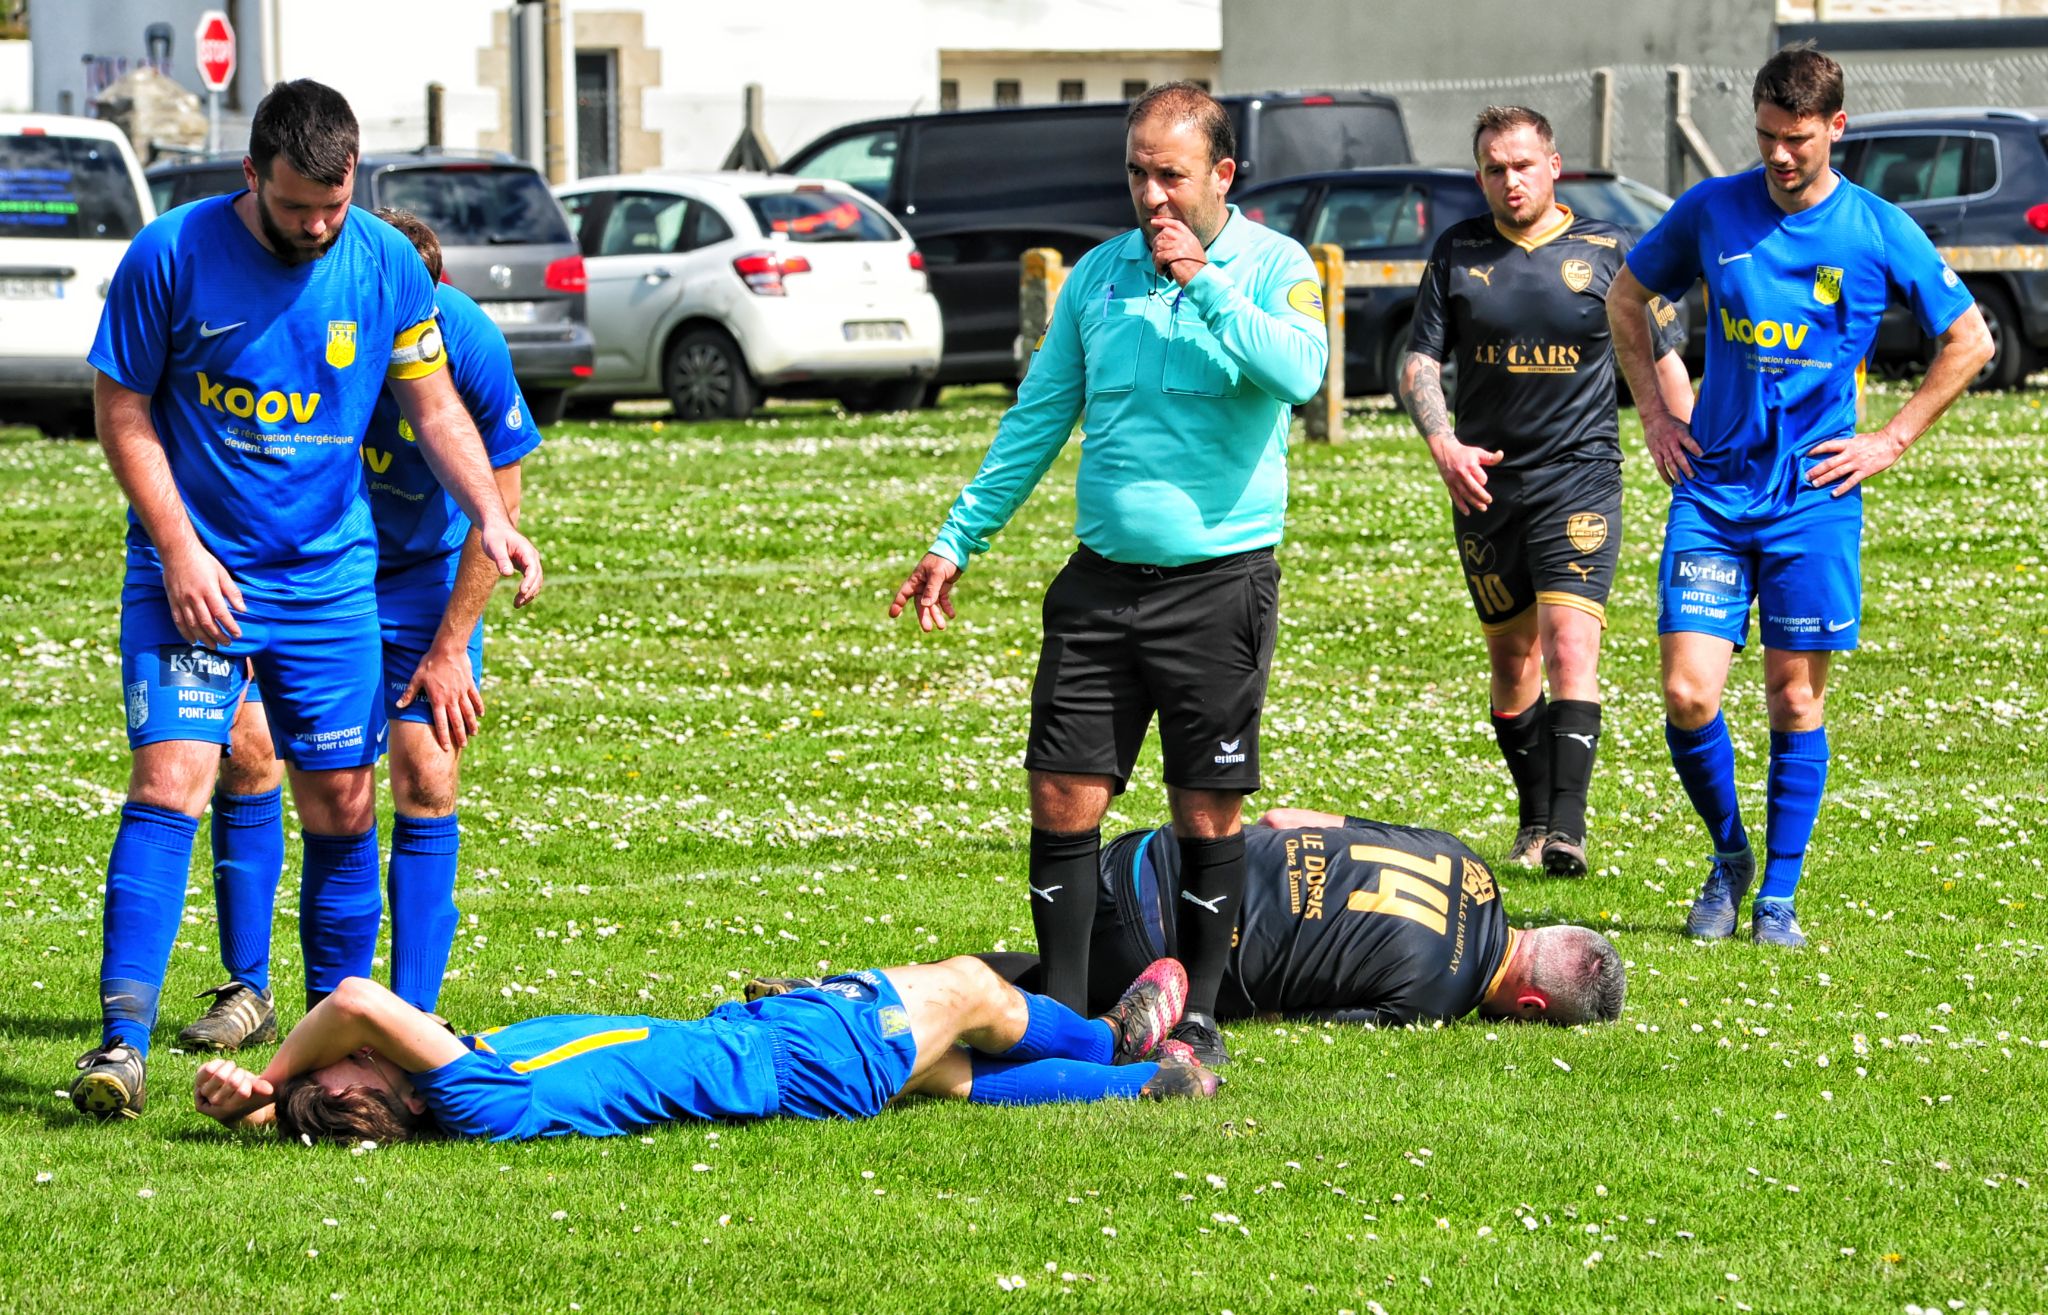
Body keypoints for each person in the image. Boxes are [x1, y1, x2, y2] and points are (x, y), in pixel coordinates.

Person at [74, 80, 543, 1120]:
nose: (319, 226)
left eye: (334, 205)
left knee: (342, 803)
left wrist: (490, 515)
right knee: (174, 782)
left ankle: (318, 1038)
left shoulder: (380, 262)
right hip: (192, 574)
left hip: (330, 581)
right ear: (252, 176)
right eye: (297, 209)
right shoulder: (171, 253)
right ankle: (121, 1045)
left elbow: (435, 410)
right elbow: (121, 406)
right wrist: (181, 550)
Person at [887, 81, 1329, 1065]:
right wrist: (956, 540)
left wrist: (1203, 283)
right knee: (1059, 795)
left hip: (1218, 584)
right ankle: (1067, 1023)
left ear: (1221, 173)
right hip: (1098, 585)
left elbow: (1300, 373)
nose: (1151, 195)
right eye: (1136, 172)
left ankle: (1202, 1013)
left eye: (1169, 174)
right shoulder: (1095, 279)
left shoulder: (1272, 266)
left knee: (1204, 805)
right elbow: (1036, 419)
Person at [1607, 45, 1991, 947]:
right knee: (1689, 695)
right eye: (1768, 137)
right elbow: (1628, 299)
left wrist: (1890, 438)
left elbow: (1969, 340)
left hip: (1814, 498)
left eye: (1798, 139)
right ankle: (1731, 855)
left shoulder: (1875, 227)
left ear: (1836, 130)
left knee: (1794, 700)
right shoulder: (1711, 208)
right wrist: (1660, 418)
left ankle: (1776, 896)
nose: (1779, 156)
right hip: (1714, 488)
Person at [178, 209, 543, 1053]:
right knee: (251, 744)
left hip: (422, 584)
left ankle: (407, 1010)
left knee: (426, 772)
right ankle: (249, 989)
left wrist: (452, 646)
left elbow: (503, 504)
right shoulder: (310, 319)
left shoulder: (468, 343)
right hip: (313, 573)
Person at [1401, 106, 1695, 879]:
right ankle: (1534, 816)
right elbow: (1420, 362)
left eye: (1523, 164)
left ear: (1554, 166)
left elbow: (1664, 352)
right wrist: (1443, 444)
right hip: (1487, 486)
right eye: (1495, 168)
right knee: (1512, 661)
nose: (1511, 179)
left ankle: (1567, 831)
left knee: (1573, 647)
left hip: (1581, 475)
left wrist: (1687, 442)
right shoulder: (1457, 251)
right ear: (1480, 176)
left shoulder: (1608, 249)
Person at [761, 808, 1624, 1029]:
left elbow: (1292, 823)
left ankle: (840, 993)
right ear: (1533, 1006)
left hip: (1150, 854)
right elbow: (1297, 1010)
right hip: (1157, 941)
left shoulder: (1465, 859)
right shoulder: (1435, 996)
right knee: (1021, 1003)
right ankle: (855, 1008)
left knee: (1025, 970)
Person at [189, 957, 1216, 1143]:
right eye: (348, 1064)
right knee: (973, 992)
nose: (353, 1049)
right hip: (788, 1057)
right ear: (390, 1090)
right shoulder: (475, 1093)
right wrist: (271, 1079)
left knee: (950, 1075)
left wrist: (268, 1107)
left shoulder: (452, 1094)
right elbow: (354, 999)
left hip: (769, 1064)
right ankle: (1110, 1034)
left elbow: (345, 1077)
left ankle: (1149, 1085)